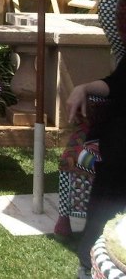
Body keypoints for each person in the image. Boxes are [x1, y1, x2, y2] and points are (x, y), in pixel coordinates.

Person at [67, 55, 126, 278]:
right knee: (117, 153)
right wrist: (83, 88)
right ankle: (91, 260)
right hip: (119, 145)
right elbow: (116, 83)